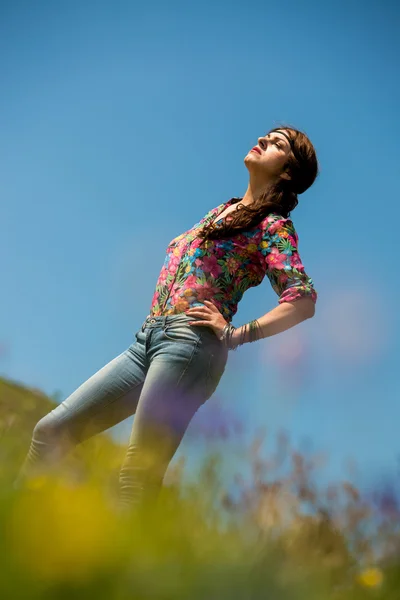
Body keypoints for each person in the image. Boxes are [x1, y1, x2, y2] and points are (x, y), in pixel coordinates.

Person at [14, 125, 318, 511]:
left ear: (288, 172)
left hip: (190, 346)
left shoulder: (272, 227)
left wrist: (238, 334)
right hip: (147, 340)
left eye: (277, 144)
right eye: (267, 135)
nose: (263, 140)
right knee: (51, 431)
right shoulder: (221, 212)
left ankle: (121, 572)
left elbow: (301, 299)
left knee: (136, 474)